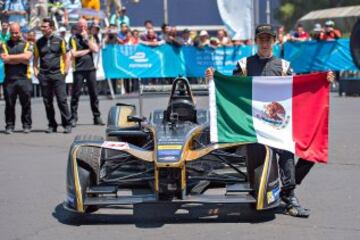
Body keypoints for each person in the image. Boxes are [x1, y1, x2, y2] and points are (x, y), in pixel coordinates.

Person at [205, 24, 334, 218]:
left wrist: (325, 81)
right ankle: (257, 192)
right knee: (257, 172)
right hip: (253, 125)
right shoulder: (244, 65)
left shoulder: (284, 66)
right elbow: (232, 91)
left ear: (274, 41)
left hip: (279, 124)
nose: (265, 43)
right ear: (256, 41)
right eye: (261, 39)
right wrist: (213, 79)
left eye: (268, 39)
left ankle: (289, 194)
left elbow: (299, 91)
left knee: (297, 154)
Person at [33, 18, 72, 133]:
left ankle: (67, 124)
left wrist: (65, 71)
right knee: (47, 101)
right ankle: (52, 125)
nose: (42, 28)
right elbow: (35, 58)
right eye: (42, 27)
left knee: (62, 100)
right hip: (44, 75)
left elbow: (67, 56)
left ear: (51, 27)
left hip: (57, 74)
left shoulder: (60, 40)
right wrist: (36, 71)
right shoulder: (38, 42)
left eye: (44, 26)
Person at [69, 18, 104, 127]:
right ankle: (73, 117)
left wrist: (86, 40)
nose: (82, 28)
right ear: (77, 27)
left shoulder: (90, 37)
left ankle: (96, 116)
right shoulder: (73, 38)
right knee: (75, 94)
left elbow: (96, 49)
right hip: (78, 69)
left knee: (94, 94)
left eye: (84, 26)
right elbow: (74, 54)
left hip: (90, 69)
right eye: (80, 26)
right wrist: (88, 50)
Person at [0, 23, 33, 134]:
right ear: (10, 32)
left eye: (16, 32)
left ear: (20, 32)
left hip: (24, 78)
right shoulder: (4, 44)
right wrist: (21, 58)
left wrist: (11, 58)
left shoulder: (27, 44)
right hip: (9, 79)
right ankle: (10, 126)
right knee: (9, 104)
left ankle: (26, 125)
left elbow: (27, 57)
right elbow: (5, 59)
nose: (14, 35)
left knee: (26, 103)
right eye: (12, 32)